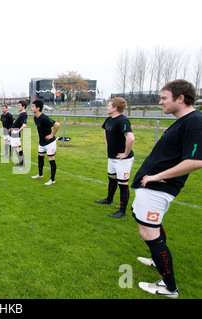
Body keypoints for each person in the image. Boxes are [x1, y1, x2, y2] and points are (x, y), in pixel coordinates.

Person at [131, 79, 202, 298]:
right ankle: (156, 260)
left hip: (159, 188)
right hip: (150, 186)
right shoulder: (184, 120)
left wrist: (158, 176)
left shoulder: (195, 121)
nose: (160, 102)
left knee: (149, 232)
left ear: (180, 98)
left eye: (164, 98)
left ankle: (169, 287)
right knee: (152, 226)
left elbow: (197, 160)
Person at [94, 97, 135, 218]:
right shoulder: (109, 119)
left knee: (122, 183)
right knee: (112, 178)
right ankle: (109, 199)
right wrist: (108, 147)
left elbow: (131, 138)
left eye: (109, 105)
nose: (107, 107)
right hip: (112, 157)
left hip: (123, 159)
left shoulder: (122, 120)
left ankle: (122, 211)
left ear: (115, 108)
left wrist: (126, 153)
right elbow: (106, 131)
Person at [31, 100, 60, 185]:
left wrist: (52, 135)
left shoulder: (44, 118)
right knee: (40, 158)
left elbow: (57, 125)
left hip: (50, 142)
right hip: (42, 142)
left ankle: (52, 180)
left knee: (51, 160)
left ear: (38, 108)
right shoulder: (35, 118)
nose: (31, 108)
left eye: (33, 106)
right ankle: (40, 174)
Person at [11, 100, 28, 169]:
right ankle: (20, 162)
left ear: (23, 107)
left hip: (16, 134)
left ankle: (23, 165)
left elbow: (24, 125)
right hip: (13, 133)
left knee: (18, 149)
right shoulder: (21, 114)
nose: (18, 106)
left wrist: (17, 131)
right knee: (16, 148)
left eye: (19, 105)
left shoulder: (24, 114)